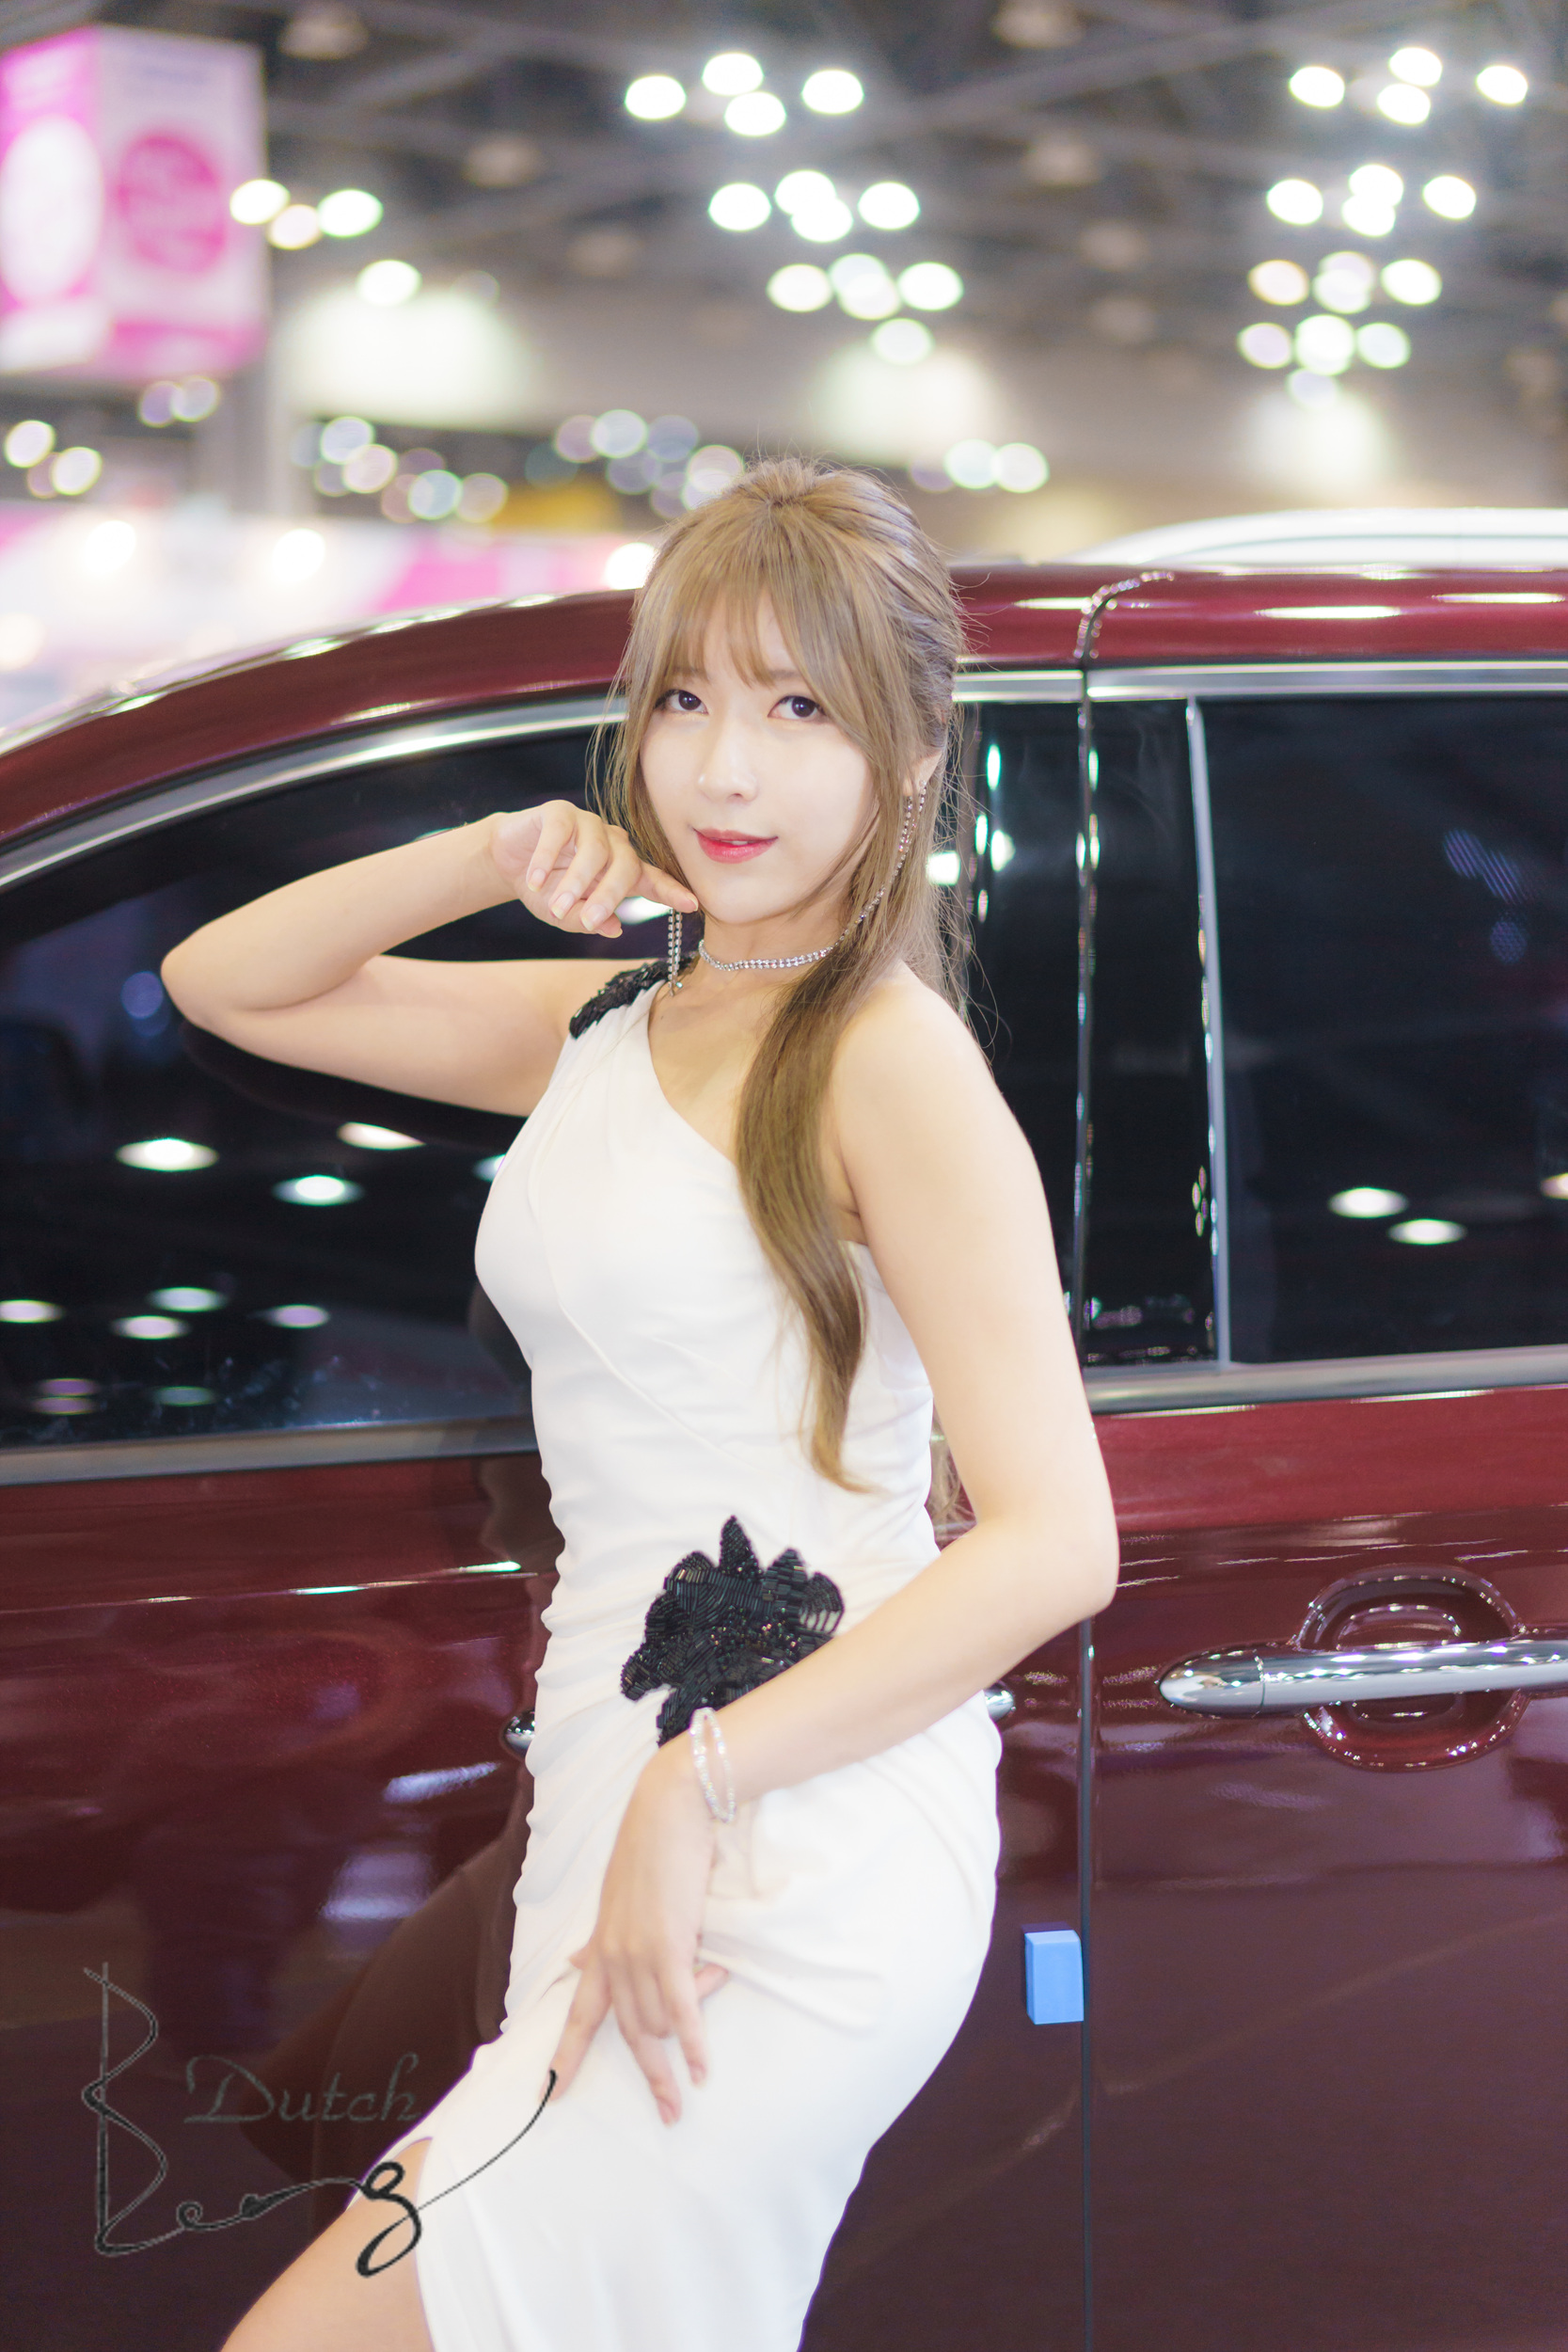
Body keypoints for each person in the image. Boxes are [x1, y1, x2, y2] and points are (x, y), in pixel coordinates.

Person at [163, 455, 1118, 2352]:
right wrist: (495, 849)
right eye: (686, 697)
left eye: (800, 709)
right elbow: (227, 981)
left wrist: (706, 1780)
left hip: (796, 1831)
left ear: (911, 756)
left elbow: (1056, 1540)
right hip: (616, 1798)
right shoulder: (609, 1020)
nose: (726, 770)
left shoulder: (887, 1060)